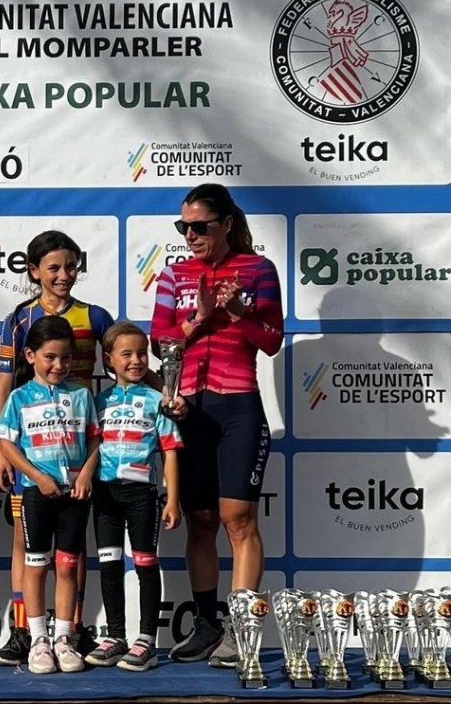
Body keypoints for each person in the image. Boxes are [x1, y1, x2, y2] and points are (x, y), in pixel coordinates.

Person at [0, 230, 180, 666]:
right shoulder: (18, 318)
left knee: (72, 551)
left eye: (71, 267)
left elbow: (127, 362)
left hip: (80, 442)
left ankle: (69, 631)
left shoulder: (94, 315)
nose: (64, 275)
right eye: (54, 268)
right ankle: (25, 632)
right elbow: (4, 383)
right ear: (34, 271)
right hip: (32, 449)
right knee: (25, 541)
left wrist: (167, 393)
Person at [150, 183, 283, 667]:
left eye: (199, 226)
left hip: (238, 405)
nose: (190, 235)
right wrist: (200, 318)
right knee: (201, 520)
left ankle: (242, 631)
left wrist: (239, 313)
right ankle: (207, 624)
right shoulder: (174, 274)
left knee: (238, 519)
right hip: (190, 409)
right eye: (183, 227)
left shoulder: (258, 269)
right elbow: (159, 342)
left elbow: (271, 340)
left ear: (226, 223)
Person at [0, 315, 99, 674]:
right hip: (36, 494)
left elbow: (95, 439)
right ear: (30, 355)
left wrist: (86, 473)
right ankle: (38, 640)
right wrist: (37, 477)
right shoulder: (19, 397)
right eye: (50, 357)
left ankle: (64, 638)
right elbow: (6, 443)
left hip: (74, 495)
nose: (58, 365)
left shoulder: (81, 395)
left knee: (67, 566)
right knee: (35, 567)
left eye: (66, 357)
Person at [86, 322, 182, 672]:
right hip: (105, 493)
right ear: (108, 359)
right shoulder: (98, 401)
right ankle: (115, 636)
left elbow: (170, 451)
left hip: (142, 493)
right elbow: (90, 448)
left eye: (142, 353)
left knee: (145, 565)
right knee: (109, 565)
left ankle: (146, 641)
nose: (136, 360)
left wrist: (172, 497)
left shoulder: (159, 401)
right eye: (126, 354)